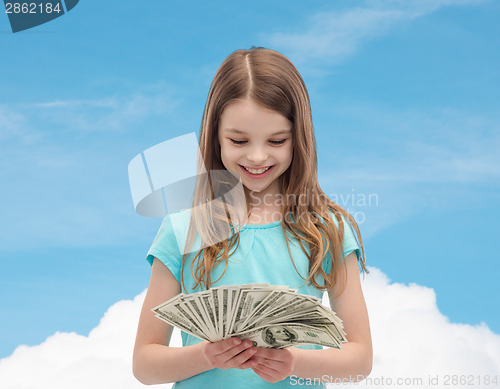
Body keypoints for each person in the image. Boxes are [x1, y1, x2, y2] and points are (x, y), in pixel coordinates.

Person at [133, 46, 372, 388]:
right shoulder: (183, 229)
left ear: (298, 139)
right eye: (239, 140)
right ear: (215, 136)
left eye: (276, 140)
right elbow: (144, 363)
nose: (257, 156)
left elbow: (359, 360)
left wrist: (294, 362)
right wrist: (204, 355)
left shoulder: (327, 231)